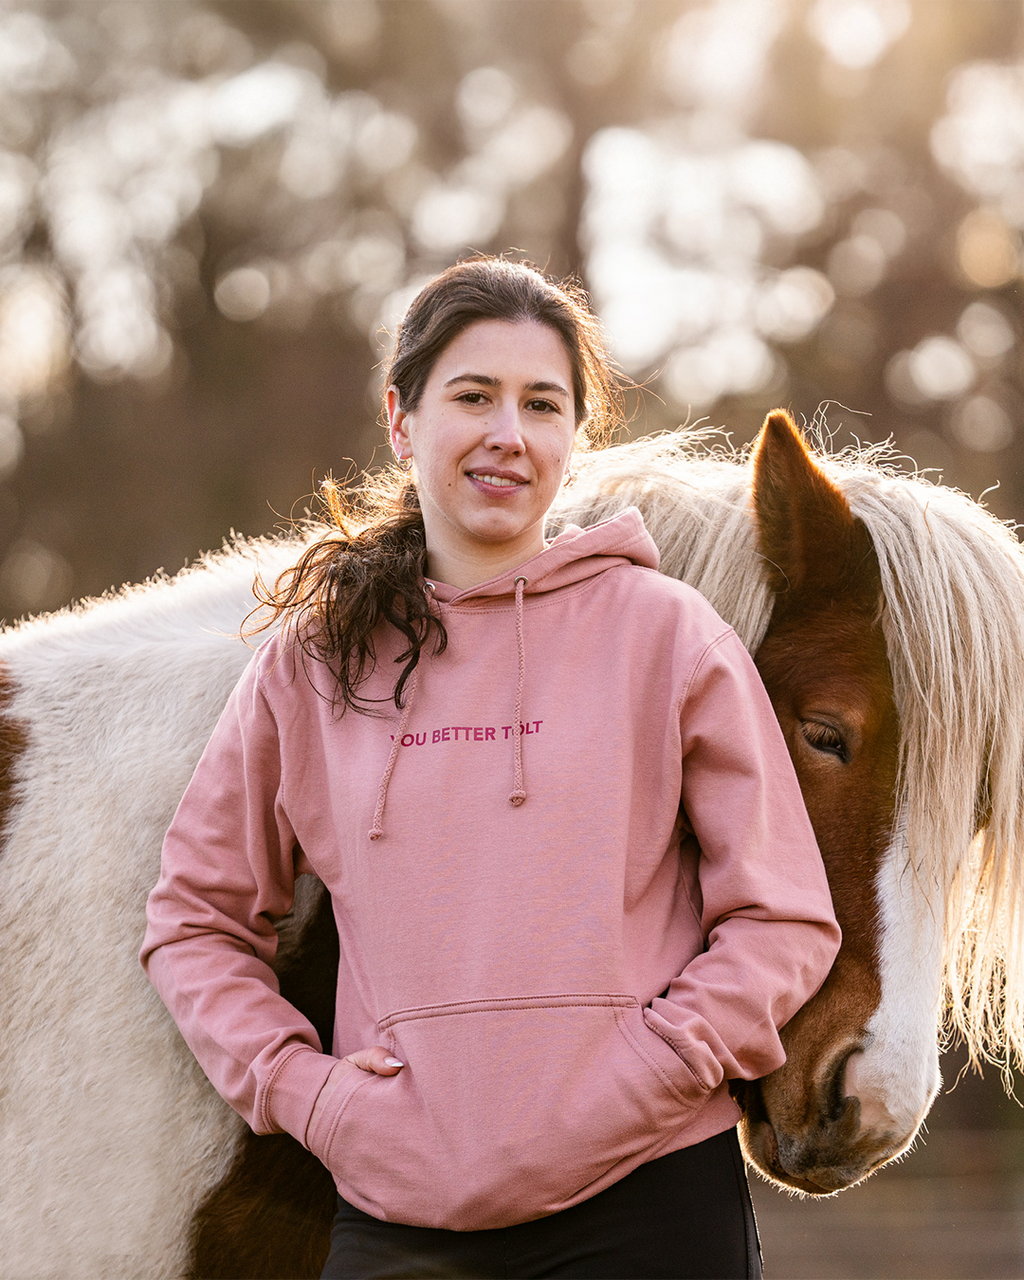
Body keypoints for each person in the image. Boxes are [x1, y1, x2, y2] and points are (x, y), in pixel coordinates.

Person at [141, 256, 841, 1280]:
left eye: (541, 403)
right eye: (472, 395)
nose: (507, 432)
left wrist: (652, 1066)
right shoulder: (313, 663)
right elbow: (193, 921)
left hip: (643, 1198)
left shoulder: (668, 636)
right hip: (399, 1216)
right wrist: (310, 1094)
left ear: (572, 437)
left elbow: (783, 918)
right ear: (401, 420)